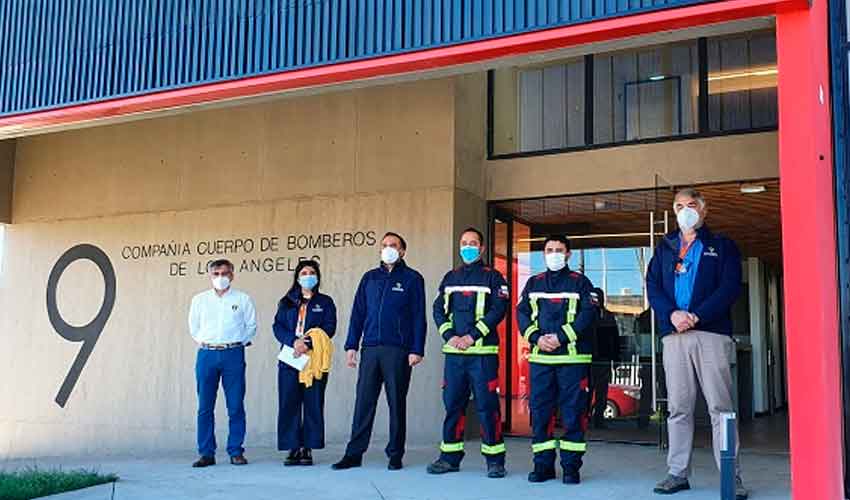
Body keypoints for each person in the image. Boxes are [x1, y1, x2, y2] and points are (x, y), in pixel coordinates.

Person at [646, 188, 747, 499]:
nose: (685, 210)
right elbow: (652, 286)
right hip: (674, 335)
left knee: (722, 408)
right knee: (678, 409)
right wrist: (672, 314)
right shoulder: (664, 248)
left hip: (711, 334)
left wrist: (697, 316)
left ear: (704, 210)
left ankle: (732, 478)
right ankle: (677, 473)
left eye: (691, 205)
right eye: (679, 206)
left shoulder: (722, 246)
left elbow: (729, 288)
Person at [332, 232, 427, 471]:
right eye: (384, 245)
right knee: (363, 402)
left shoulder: (412, 279)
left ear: (403, 251)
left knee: (396, 403)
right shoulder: (369, 278)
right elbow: (358, 313)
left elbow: (418, 317)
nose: (388, 249)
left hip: (398, 350)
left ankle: (395, 454)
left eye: (393, 245)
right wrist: (351, 345)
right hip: (370, 349)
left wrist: (417, 349)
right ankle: (354, 454)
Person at [427, 228, 509, 478]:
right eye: (464, 243)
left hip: (482, 355)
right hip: (454, 356)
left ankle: (495, 461)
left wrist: (471, 336)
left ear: (482, 249)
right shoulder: (450, 277)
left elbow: (498, 310)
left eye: (473, 243)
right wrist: (450, 336)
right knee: (453, 406)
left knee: (487, 407)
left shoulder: (494, 278)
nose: (468, 247)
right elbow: (438, 309)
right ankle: (449, 458)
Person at [516, 235, 596, 485]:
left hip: (572, 359)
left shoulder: (581, 283)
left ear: (568, 254)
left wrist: (561, 337)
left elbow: (588, 314)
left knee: (573, 414)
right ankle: (543, 467)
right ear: (543, 254)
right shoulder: (533, 283)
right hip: (541, 360)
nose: (554, 254)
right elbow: (522, 314)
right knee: (540, 414)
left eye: (559, 250)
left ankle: (571, 469)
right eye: (549, 250)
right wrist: (537, 338)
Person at [188, 259, 257, 467]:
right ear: (210, 275)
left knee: (235, 405)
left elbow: (251, 325)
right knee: (205, 407)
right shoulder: (199, 300)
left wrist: (238, 342)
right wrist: (207, 342)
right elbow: (193, 327)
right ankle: (206, 453)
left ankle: (236, 451)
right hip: (207, 354)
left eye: (225, 273)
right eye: (216, 273)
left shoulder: (243, 299)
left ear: (232, 275)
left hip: (233, 354)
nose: (221, 277)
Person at [273, 260, 337, 466]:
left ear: (317, 277)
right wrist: (294, 342)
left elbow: (329, 327)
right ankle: (292, 447)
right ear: (297, 277)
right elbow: (278, 326)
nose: (308, 275)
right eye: (304, 272)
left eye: (311, 272)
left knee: (313, 402)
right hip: (290, 358)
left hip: (314, 358)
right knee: (289, 401)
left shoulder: (325, 302)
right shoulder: (286, 301)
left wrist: (308, 342)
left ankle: (307, 447)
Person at [590, 288, 620, 429]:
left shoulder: (607, 316)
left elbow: (614, 339)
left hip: (603, 360)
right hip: (587, 360)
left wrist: (616, 360)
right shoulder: (586, 315)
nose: (596, 301)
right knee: (586, 392)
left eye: (598, 298)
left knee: (602, 392)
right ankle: (584, 419)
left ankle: (599, 420)